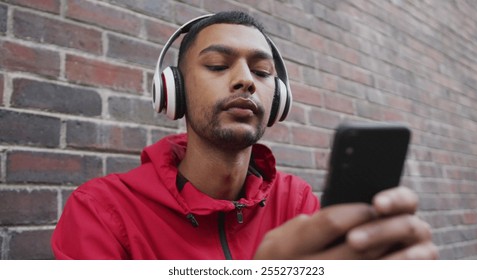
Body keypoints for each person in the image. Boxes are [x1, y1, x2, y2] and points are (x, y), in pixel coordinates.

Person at [51, 11, 437, 260]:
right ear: (173, 91)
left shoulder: (295, 200)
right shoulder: (101, 210)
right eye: (218, 65)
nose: (245, 81)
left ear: (279, 98)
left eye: (263, 72)